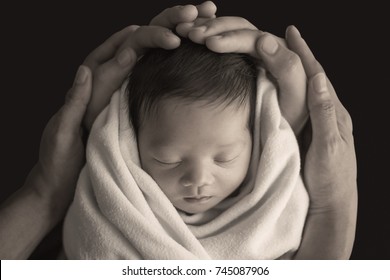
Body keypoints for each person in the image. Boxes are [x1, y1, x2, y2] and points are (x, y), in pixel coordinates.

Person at [0, 1, 357, 260]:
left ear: (260, 139)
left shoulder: (272, 214)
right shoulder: (109, 214)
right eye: (167, 159)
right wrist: (45, 191)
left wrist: (43, 193)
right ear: (126, 144)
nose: (198, 179)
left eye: (225, 157)